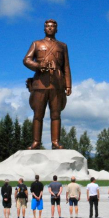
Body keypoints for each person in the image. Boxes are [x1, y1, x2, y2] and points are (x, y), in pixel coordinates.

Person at [23, 19, 72, 149]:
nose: (50, 28)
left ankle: (55, 142)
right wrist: (38, 65)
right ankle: (36, 142)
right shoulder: (36, 44)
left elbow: (66, 66)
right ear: (44, 29)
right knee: (38, 114)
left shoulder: (63, 46)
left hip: (57, 84)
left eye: (52, 27)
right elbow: (26, 60)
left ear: (56, 29)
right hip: (40, 83)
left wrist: (68, 85)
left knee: (56, 114)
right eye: (48, 26)